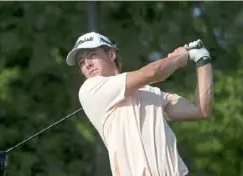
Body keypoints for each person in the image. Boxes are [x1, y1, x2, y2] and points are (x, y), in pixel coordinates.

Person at [66, 32, 214, 176]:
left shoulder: (151, 93)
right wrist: (179, 57)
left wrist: (202, 60)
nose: (87, 65)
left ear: (111, 55)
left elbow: (200, 110)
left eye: (92, 56)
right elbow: (152, 73)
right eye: (81, 62)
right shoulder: (89, 89)